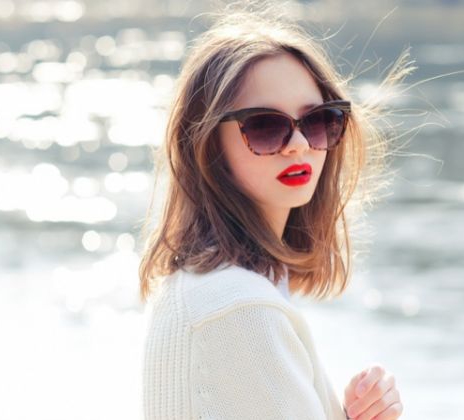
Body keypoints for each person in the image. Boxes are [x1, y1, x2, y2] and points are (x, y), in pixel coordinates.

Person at [137, 5, 411, 420]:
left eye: (318, 121)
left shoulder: (208, 290)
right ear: (208, 145)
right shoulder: (241, 310)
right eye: (265, 126)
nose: (299, 144)